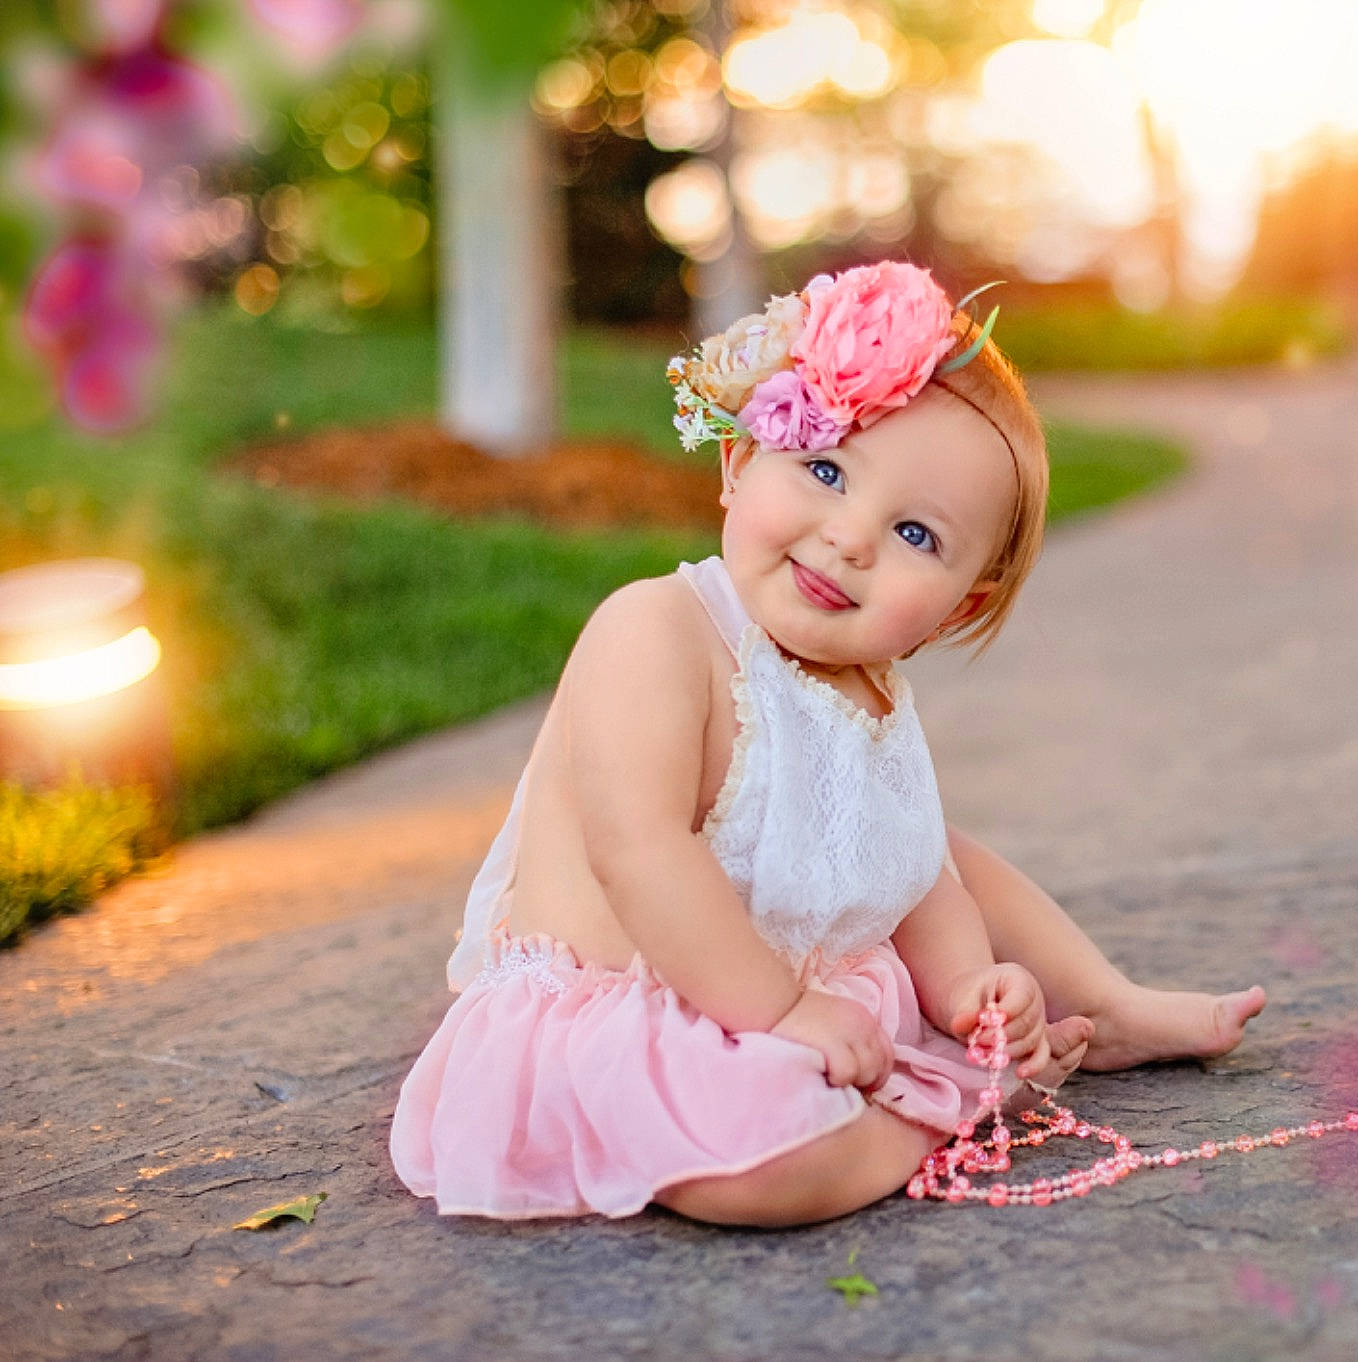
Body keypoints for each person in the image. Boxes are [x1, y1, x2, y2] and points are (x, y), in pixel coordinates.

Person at [388, 261, 1267, 1228]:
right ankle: (934, 1118)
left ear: (954, 607)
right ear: (737, 465)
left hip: (786, 987)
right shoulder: (656, 629)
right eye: (826, 470)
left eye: (917, 536)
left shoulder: (872, 685)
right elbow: (638, 852)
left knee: (939, 846)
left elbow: (912, 872)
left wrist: (970, 989)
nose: (851, 537)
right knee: (755, 1156)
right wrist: (782, 1017)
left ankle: (1100, 1006)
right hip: (633, 1008)